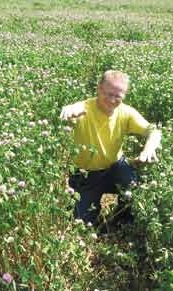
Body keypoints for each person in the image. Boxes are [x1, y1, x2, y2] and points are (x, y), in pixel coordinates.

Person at [60, 70, 161, 227]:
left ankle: (123, 220)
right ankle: (90, 214)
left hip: (115, 168)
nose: (112, 100)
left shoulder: (126, 112)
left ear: (124, 95)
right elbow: (72, 110)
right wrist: (70, 111)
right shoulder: (83, 109)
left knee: (134, 187)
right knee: (81, 222)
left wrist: (148, 150)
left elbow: (153, 130)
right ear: (99, 89)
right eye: (108, 94)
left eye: (117, 96)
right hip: (85, 176)